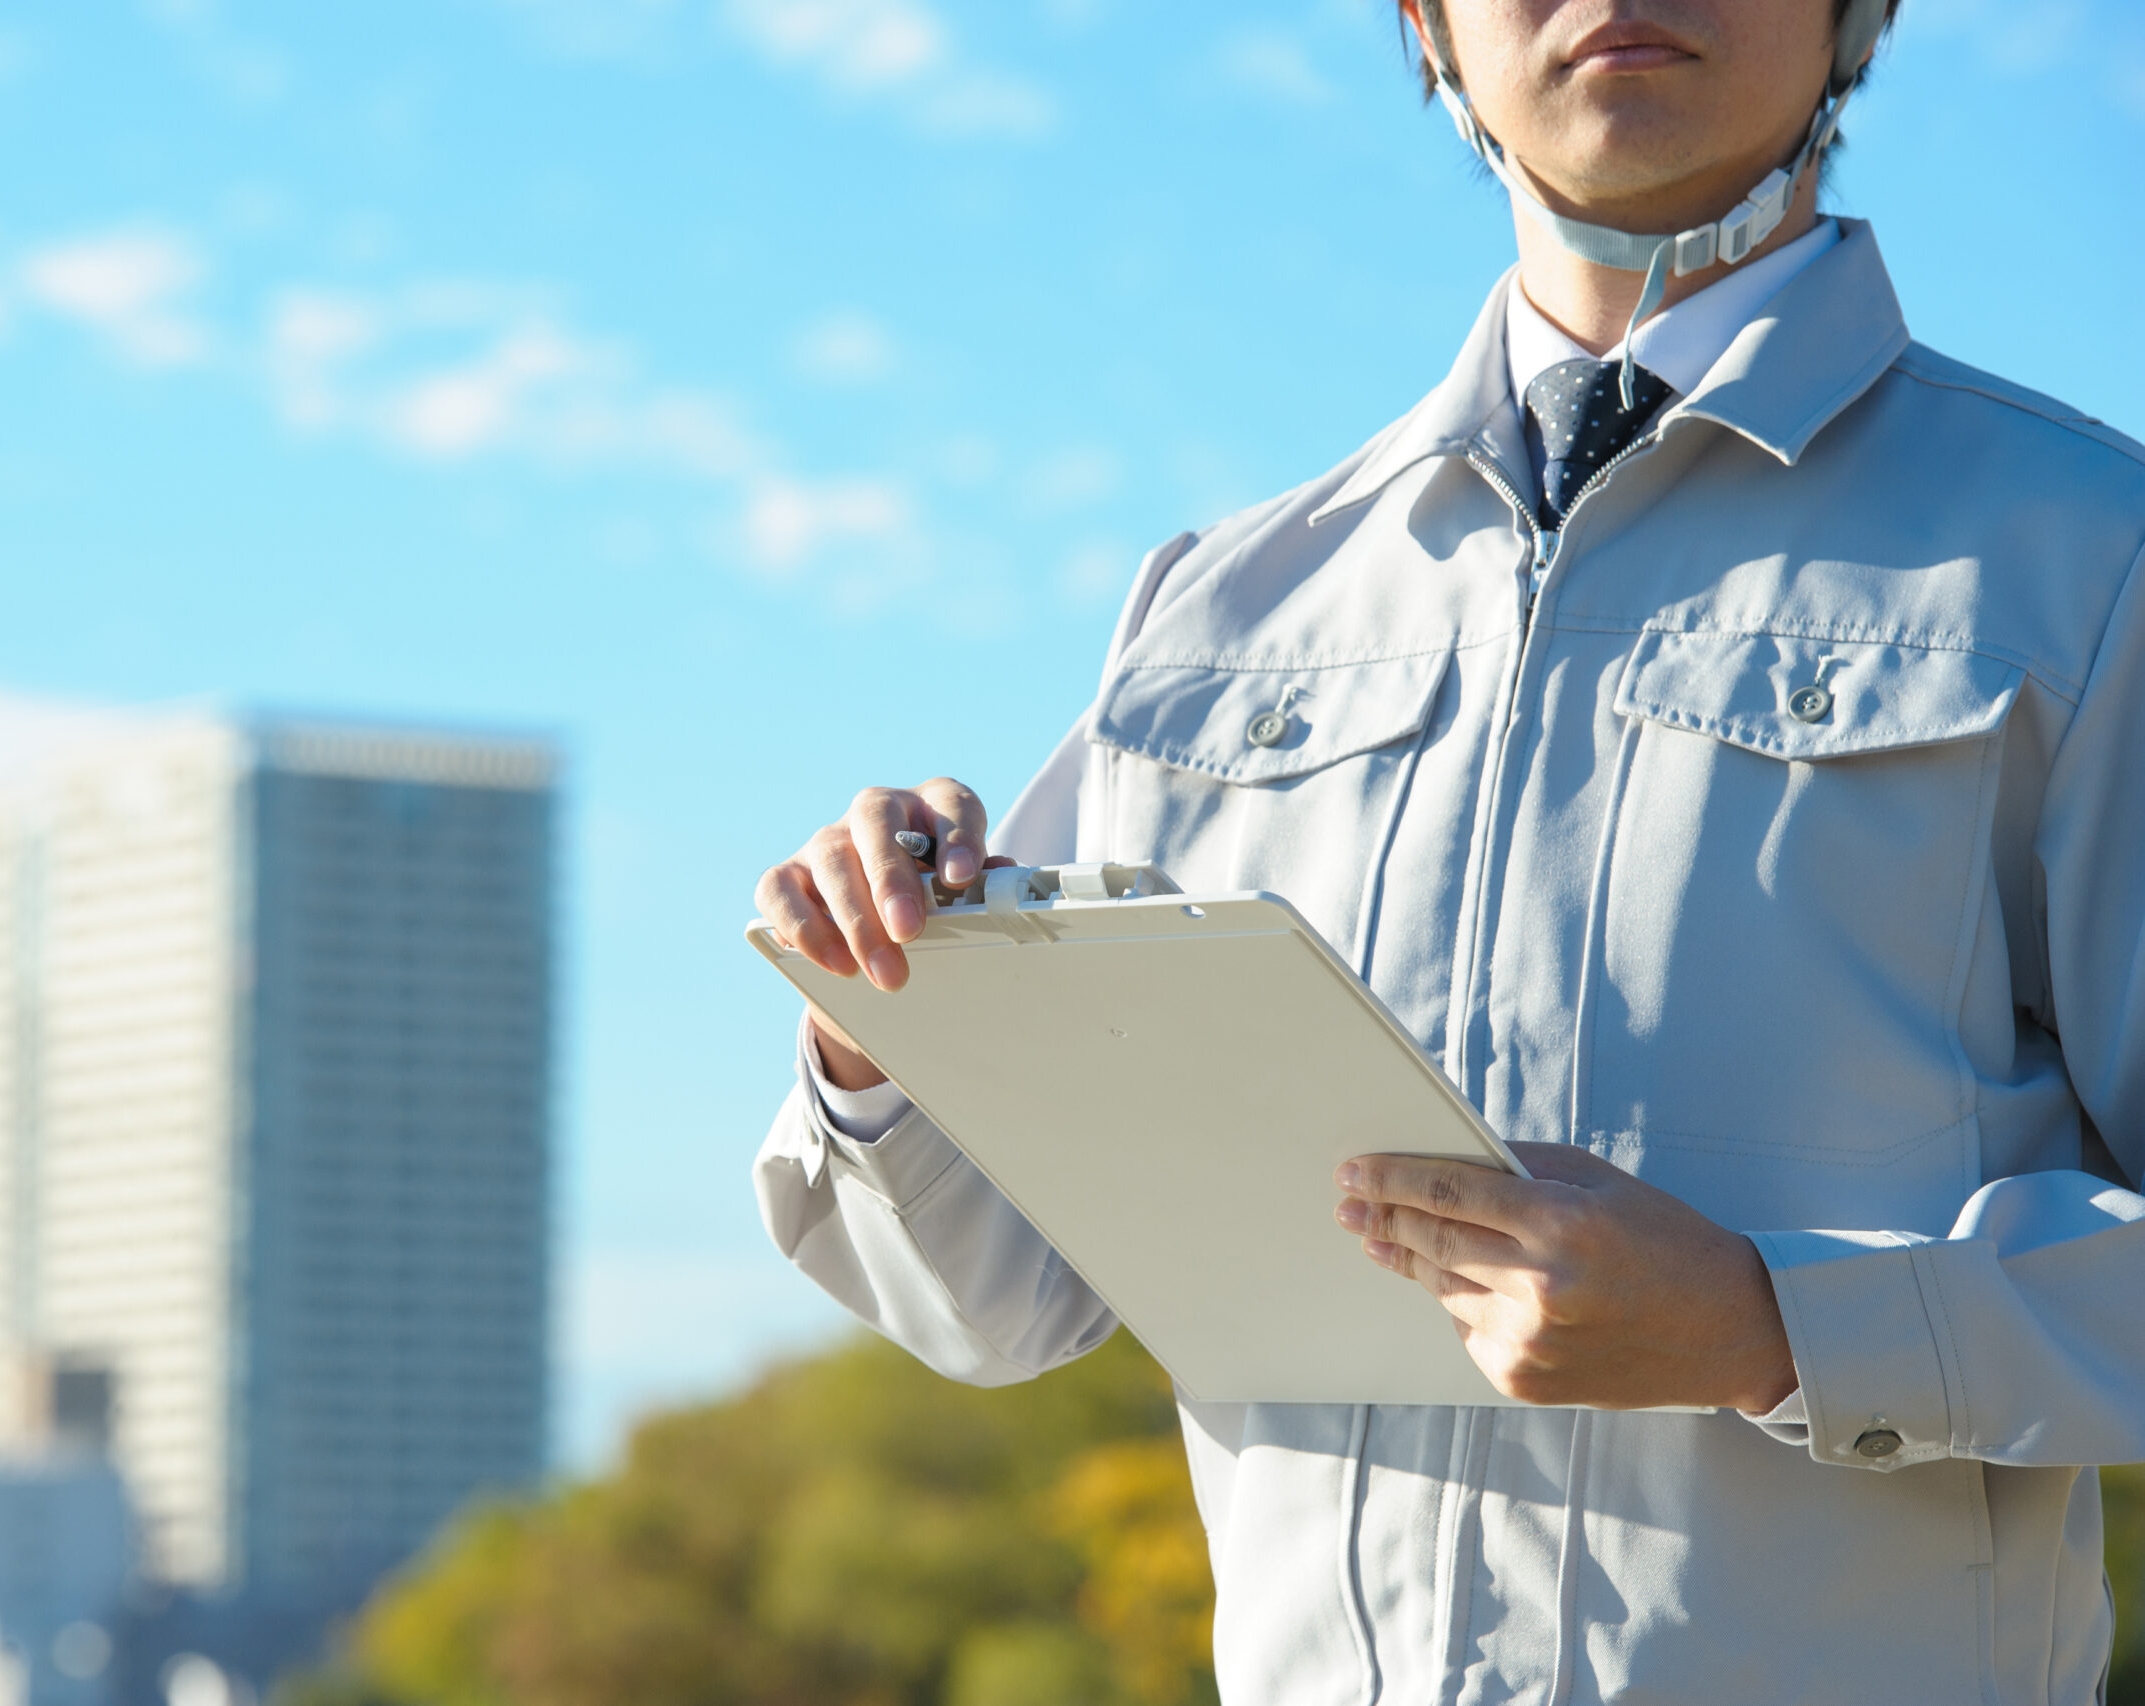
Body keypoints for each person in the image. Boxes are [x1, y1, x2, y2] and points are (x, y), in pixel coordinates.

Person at [750, 0, 2145, 1699]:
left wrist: (1769, 1326)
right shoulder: (1221, 616)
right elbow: (995, 1304)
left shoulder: (2092, 562)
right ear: (1424, 19)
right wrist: (879, 1021)